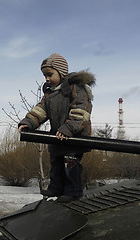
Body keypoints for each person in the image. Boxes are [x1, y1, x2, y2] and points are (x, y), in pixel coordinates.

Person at [18, 53, 95, 203]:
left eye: (49, 74)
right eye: (44, 75)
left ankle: (73, 191)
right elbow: (40, 110)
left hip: (74, 135)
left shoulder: (76, 87)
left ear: (61, 72)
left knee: (70, 163)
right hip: (58, 136)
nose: (46, 78)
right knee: (56, 162)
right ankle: (56, 187)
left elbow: (81, 111)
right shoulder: (50, 93)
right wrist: (28, 122)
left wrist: (69, 128)